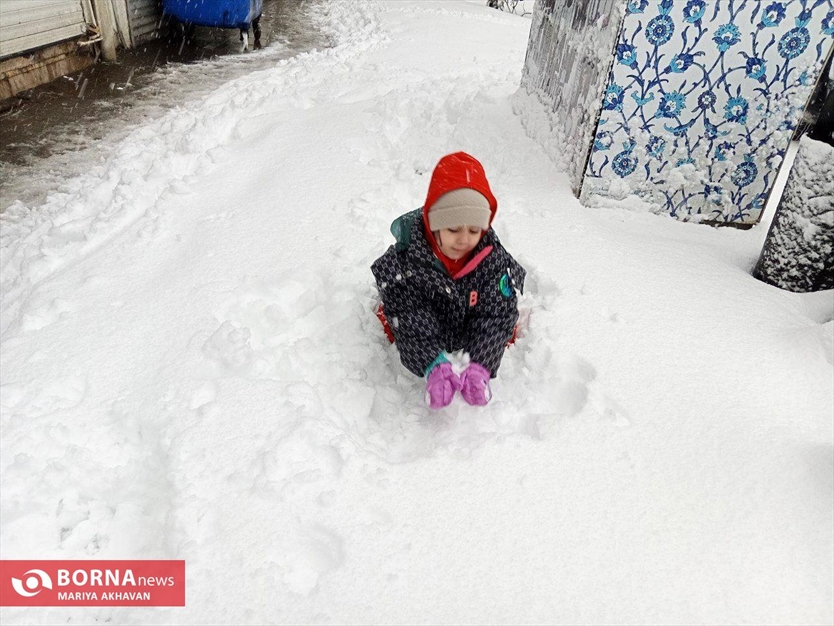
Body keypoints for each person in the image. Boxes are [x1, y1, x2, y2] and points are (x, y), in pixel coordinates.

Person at [371, 152, 526, 409]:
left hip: (467, 324)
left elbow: (496, 315)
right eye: (453, 229)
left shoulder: (491, 260)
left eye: (474, 230)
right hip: (430, 324)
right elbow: (410, 316)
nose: (464, 239)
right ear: (434, 225)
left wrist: (481, 364)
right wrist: (433, 363)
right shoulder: (409, 262)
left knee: (505, 319)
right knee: (395, 314)